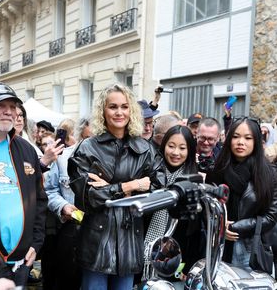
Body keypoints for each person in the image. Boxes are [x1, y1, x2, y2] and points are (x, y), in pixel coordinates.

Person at [68, 84, 165, 290]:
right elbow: (89, 197)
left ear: (132, 110)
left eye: (124, 106)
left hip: (130, 242)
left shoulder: (145, 149)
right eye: (113, 107)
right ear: (103, 110)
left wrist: (110, 189)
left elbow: (159, 188)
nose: (119, 112)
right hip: (96, 243)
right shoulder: (88, 148)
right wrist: (133, 185)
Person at [0, 82, 47, 286]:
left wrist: (36, 243)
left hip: (20, 262)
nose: (9, 112)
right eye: (0, 105)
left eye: (13, 106)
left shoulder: (26, 150)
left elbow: (40, 200)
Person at [206, 117, 277, 271]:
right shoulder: (217, 170)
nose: (241, 142)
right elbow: (208, 207)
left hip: (253, 247)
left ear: (256, 141)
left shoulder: (269, 174)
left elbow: (271, 216)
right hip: (219, 245)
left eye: (248, 138)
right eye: (236, 137)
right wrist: (220, 227)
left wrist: (237, 227)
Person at [44, 117, 91, 289]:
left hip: (102, 233)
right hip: (71, 230)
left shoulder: (115, 158)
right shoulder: (63, 158)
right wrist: (63, 206)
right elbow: (49, 190)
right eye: (87, 138)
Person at [159, 126, 202, 278]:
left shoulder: (194, 182)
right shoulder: (152, 174)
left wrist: (187, 266)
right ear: (163, 145)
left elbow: (194, 230)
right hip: (146, 252)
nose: (176, 152)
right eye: (171, 146)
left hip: (178, 259)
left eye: (182, 148)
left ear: (189, 150)